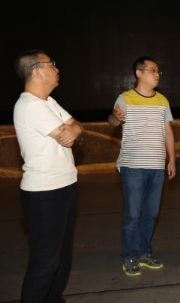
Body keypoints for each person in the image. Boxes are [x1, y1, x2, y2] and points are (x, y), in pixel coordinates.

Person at [13, 50, 83, 302]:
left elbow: (77, 126)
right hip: (44, 193)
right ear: (37, 71)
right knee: (45, 262)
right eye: (52, 64)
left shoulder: (48, 102)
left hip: (65, 186)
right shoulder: (30, 105)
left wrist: (74, 129)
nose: (57, 69)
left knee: (62, 258)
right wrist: (71, 129)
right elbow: (65, 133)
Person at [108, 56, 176, 276]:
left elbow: (167, 131)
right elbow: (113, 121)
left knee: (151, 213)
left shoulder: (162, 100)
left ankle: (144, 252)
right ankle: (129, 255)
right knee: (133, 214)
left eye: (158, 71)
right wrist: (116, 117)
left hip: (157, 167)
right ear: (139, 73)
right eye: (152, 70)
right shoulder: (125, 98)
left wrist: (172, 159)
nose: (157, 74)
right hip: (132, 167)